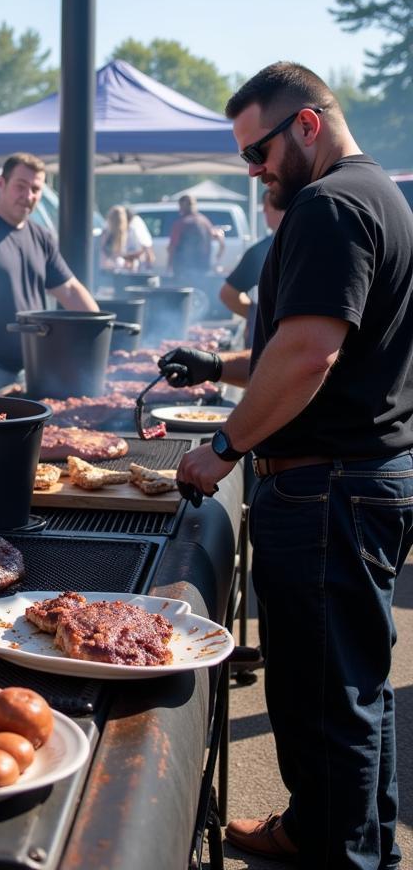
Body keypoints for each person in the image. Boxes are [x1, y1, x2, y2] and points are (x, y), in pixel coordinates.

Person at [169, 61, 413, 869]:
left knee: (324, 700)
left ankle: (342, 857)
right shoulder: (376, 194)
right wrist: (213, 372)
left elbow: (311, 355)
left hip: (327, 489)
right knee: (346, 691)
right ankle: (332, 835)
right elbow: (294, 347)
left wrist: (223, 447)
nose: (253, 171)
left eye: (257, 151)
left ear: (306, 124)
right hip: (350, 482)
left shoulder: (331, 204)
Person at [0, 152, 98, 392]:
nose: (28, 196)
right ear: (1, 184)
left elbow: (69, 289)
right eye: (21, 186)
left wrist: (99, 332)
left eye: (35, 189)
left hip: (32, 367)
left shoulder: (40, 236)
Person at [218, 189, 284, 345]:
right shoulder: (311, 244)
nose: (264, 212)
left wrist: (259, 316)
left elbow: (228, 295)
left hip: (270, 343)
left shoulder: (261, 251)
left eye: (266, 208)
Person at [166, 193, 223, 278]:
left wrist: (169, 266)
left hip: (183, 270)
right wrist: (217, 259)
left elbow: (172, 247)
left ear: (182, 206)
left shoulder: (181, 224)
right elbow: (220, 239)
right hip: (203, 268)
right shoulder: (204, 221)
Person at [99, 204, 152, 271]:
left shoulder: (126, 233)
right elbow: (104, 259)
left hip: (120, 271)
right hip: (110, 272)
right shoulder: (107, 235)